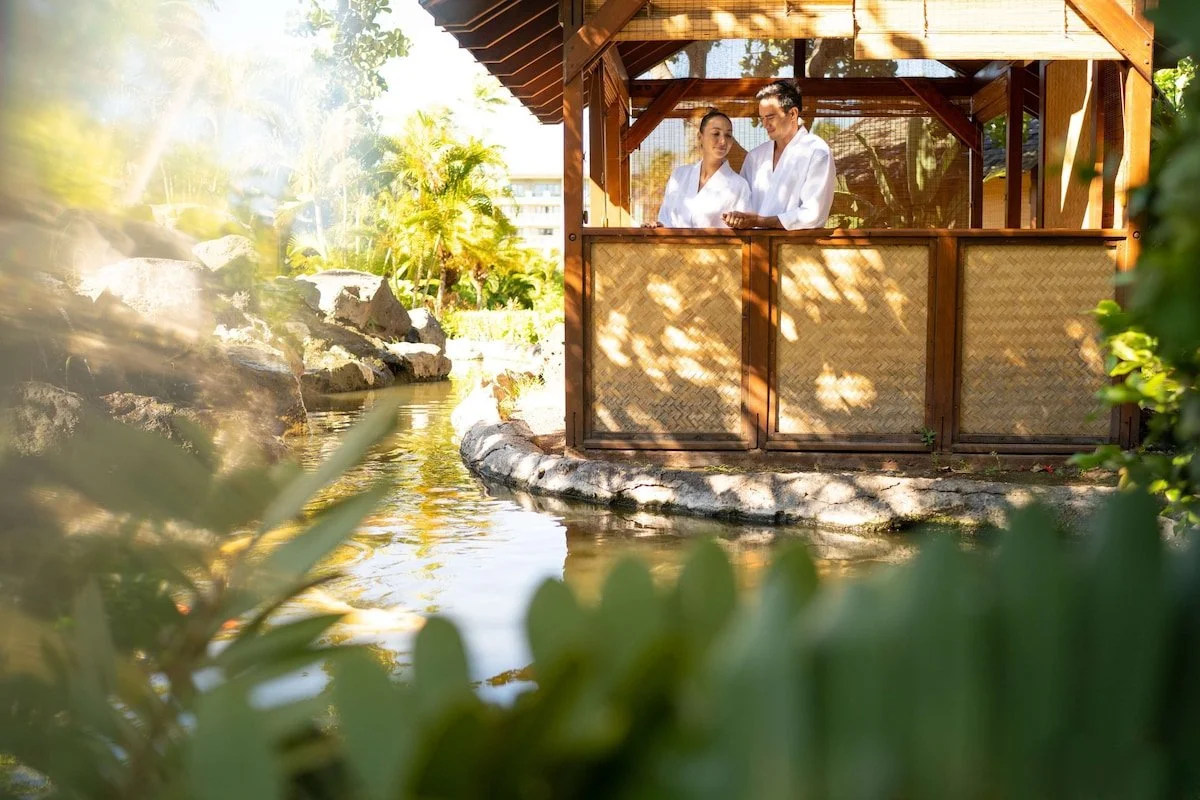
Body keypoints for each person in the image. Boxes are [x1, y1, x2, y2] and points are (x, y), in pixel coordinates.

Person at [722, 80, 835, 230]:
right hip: (751, 248)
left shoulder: (817, 152)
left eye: (770, 117)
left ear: (793, 114)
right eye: (762, 118)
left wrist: (759, 222)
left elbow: (813, 215)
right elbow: (741, 202)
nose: (765, 124)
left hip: (793, 249)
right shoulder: (755, 157)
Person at [649, 109, 752, 228]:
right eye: (716, 134)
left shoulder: (739, 185)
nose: (723, 141)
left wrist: (739, 223)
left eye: (728, 135)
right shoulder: (679, 175)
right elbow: (666, 219)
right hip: (674, 246)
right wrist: (657, 226)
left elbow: (745, 231)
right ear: (700, 136)